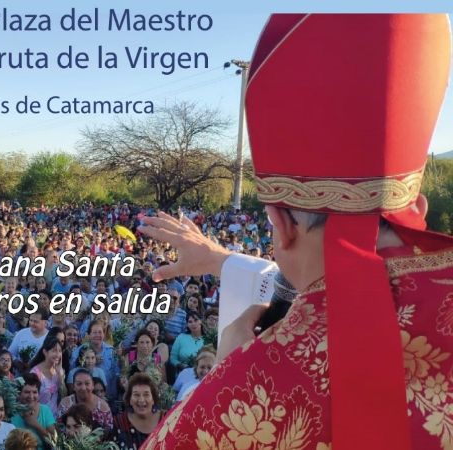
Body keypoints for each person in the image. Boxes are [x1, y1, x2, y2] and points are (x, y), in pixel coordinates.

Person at [137, 14, 453, 450]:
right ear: (417, 206)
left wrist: (230, 371)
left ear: (282, 227)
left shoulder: (256, 391)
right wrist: (222, 259)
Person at [111, 373, 162, 450]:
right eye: (136, 395)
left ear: (153, 399)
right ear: (130, 400)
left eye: (146, 395)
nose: (141, 400)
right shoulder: (119, 423)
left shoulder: (166, 419)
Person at [10, 373, 56, 450]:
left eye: (35, 392)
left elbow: (54, 442)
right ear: (19, 393)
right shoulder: (11, 412)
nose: (31, 396)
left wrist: (34, 424)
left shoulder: (45, 410)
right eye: (27, 392)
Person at [27, 334, 67, 416]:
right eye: (54, 351)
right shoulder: (35, 373)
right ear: (45, 352)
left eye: (59, 351)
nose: (58, 354)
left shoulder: (59, 370)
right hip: (39, 417)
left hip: (55, 417)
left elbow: (63, 395)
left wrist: (60, 375)